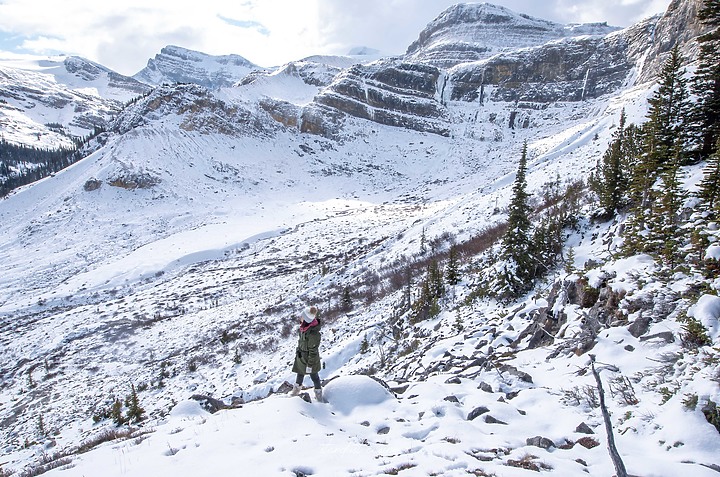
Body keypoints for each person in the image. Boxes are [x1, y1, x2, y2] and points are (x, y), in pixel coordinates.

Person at [290, 305, 324, 402]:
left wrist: (310, 364)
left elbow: (313, 351)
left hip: (310, 359)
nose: (300, 318)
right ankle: (295, 392)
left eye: (302, 317)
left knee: (314, 376)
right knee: (300, 373)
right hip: (302, 357)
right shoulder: (303, 329)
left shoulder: (313, 334)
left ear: (305, 320)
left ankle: (318, 395)